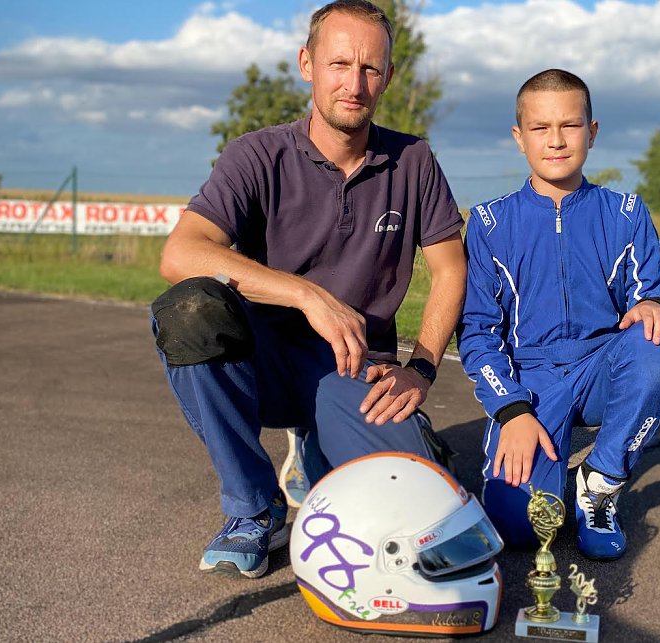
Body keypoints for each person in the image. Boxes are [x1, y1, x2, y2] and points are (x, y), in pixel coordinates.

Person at [149, 0, 466, 580]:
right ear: (307, 64)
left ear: (388, 77)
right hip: (261, 365)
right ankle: (254, 507)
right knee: (190, 309)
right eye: (339, 63)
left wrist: (421, 368)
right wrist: (305, 294)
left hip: (354, 368)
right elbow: (180, 253)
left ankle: (322, 443)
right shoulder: (257, 154)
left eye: (371, 68)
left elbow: (450, 269)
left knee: (418, 511)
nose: (354, 82)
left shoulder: (414, 159)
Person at [457, 69, 660, 560]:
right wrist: (512, 409)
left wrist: (653, 303)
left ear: (592, 131)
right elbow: (477, 333)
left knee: (659, 343)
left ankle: (600, 484)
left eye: (570, 125)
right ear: (519, 138)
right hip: (531, 382)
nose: (556, 141)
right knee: (518, 528)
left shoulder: (625, 212)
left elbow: (654, 294)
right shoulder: (490, 223)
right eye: (540, 128)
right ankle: (550, 467)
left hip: (600, 369)